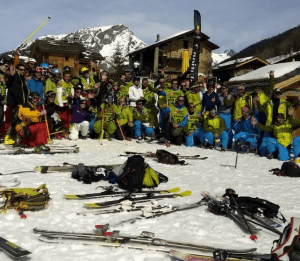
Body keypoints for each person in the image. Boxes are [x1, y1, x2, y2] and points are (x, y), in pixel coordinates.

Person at [4, 64, 28, 134]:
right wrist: (18, 102)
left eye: (23, 70)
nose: (22, 71)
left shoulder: (21, 78)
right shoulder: (14, 77)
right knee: (10, 120)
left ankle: (13, 135)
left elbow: (24, 92)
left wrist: (24, 102)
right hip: (13, 103)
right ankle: (6, 135)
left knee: (17, 120)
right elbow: (13, 90)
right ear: (17, 69)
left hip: (20, 103)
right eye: (21, 69)